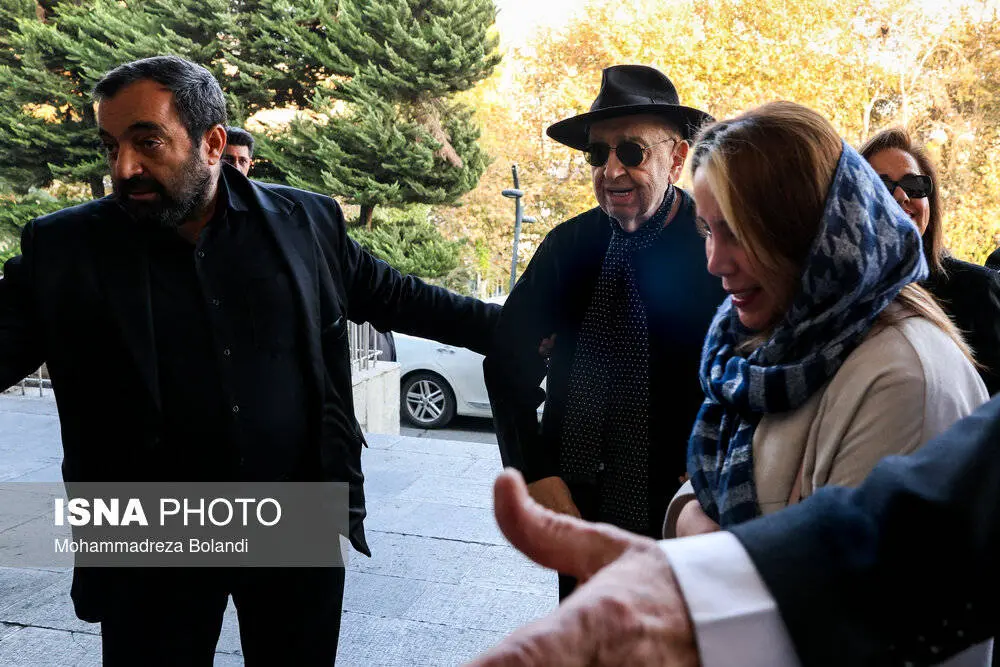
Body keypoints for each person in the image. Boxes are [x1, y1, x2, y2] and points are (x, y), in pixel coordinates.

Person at [0, 55, 499, 665]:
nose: (124, 167)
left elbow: (400, 297)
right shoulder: (65, 248)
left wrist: (526, 332)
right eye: (110, 146)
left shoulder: (304, 222)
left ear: (212, 143)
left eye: (147, 142)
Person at [664, 103, 987, 542]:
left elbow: (831, 578)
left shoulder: (900, 380)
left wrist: (696, 532)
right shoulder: (766, 344)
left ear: (812, 229)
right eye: (707, 231)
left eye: (737, 232)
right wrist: (691, 518)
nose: (715, 263)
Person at [484, 65, 725, 598]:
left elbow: (755, 367)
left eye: (632, 152)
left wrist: (718, 464)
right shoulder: (566, 247)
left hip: (682, 511)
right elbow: (507, 360)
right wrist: (533, 470)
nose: (611, 170)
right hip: (578, 505)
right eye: (598, 153)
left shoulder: (717, 248)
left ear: (677, 159)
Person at [860, 128, 1000, 395]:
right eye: (881, 186)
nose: (901, 196)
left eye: (914, 185)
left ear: (930, 203)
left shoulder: (978, 290)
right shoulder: (837, 299)